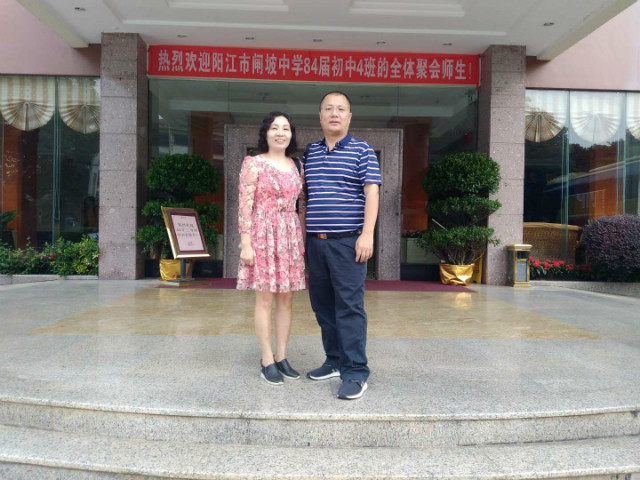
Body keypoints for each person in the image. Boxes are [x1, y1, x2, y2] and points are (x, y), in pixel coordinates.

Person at [303, 91, 382, 400]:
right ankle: (334, 360)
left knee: (349, 307)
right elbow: (305, 197)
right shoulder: (310, 152)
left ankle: (356, 372)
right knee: (323, 306)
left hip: (348, 242)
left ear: (349, 116)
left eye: (340, 109)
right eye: (328, 109)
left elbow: (372, 192)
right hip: (316, 243)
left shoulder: (362, 150)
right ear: (320, 116)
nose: (334, 114)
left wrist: (367, 234)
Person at [237, 111, 306, 386]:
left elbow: (301, 206)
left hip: (289, 235)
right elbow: (245, 206)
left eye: (285, 128)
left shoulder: (297, 166)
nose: (280, 133)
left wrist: (301, 239)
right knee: (265, 299)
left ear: (291, 134)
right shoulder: (254, 163)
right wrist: (246, 244)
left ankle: (282, 356)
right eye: (274, 128)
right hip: (262, 235)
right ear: (265, 133)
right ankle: (266, 359)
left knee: (287, 299)